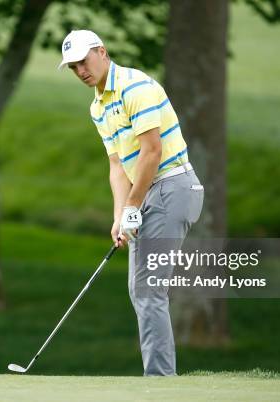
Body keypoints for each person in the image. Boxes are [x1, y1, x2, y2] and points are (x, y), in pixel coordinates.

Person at [58, 30, 204, 376]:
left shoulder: (135, 86)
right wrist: (119, 214)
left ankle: (159, 383)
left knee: (148, 290)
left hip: (172, 186)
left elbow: (152, 152)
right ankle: (159, 379)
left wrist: (133, 207)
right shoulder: (98, 106)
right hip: (148, 190)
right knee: (140, 289)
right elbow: (117, 164)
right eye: (73, 66)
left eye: (84, 61)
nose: (80, 70)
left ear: (102, 52)